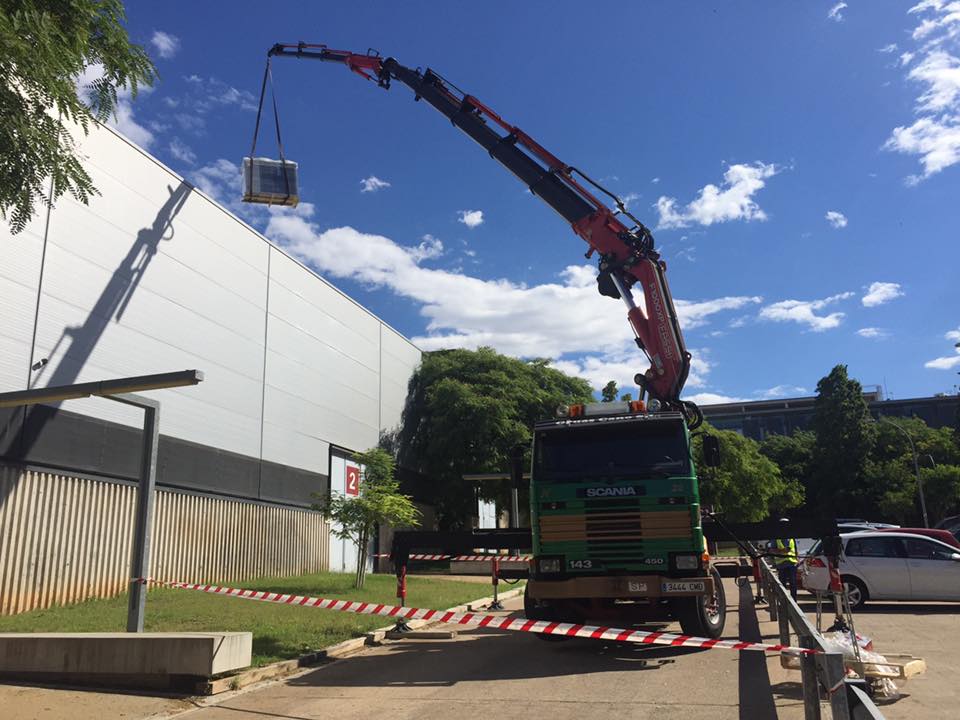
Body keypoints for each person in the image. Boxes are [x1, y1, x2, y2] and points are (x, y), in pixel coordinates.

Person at [771, 519, 799, 601]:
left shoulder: (791, 536)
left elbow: (795, 549)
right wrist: (782, 551)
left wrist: (797, 559)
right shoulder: (776, 537)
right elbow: (772, 550)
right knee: (782, 585)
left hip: (792, 563)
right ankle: (783, 601)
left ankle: (794, 601)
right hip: (781, 564)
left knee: (793, 583)